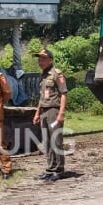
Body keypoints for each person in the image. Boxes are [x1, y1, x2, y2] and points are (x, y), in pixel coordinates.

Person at [32, 49, 69, 182]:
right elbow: (42, 97)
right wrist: (37, 113)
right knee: (47, 142)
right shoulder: (43, 75)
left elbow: (63, 93)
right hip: (44, 112)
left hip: (54, 111)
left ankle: (59, 169)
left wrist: (61, 113)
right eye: (39, 59)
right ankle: (50, 168)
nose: (40, 61)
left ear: (50, 60)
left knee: (56, 140)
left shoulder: (56, 74)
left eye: (43, 59)